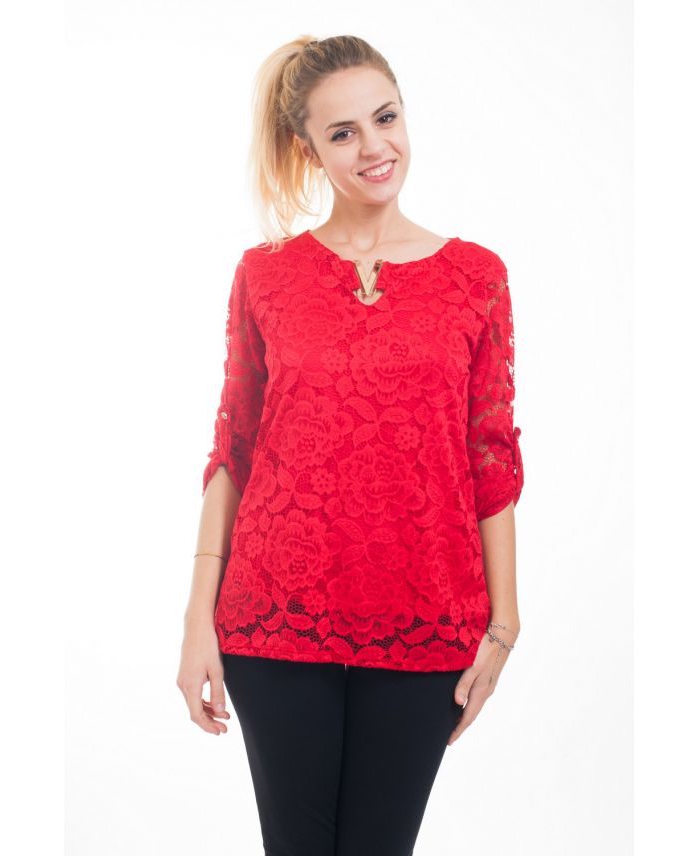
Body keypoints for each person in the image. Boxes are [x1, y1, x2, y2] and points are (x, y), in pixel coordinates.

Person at [176, 34, 524, 856]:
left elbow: (491, 454)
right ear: (309, 149)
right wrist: (197, 616)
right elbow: (235, 443)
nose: (374, 147)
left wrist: (504, 625)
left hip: (427, 615)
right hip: (274, 614)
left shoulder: (477, 277)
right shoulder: (265, 274)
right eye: (343, 133)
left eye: (385, 118)